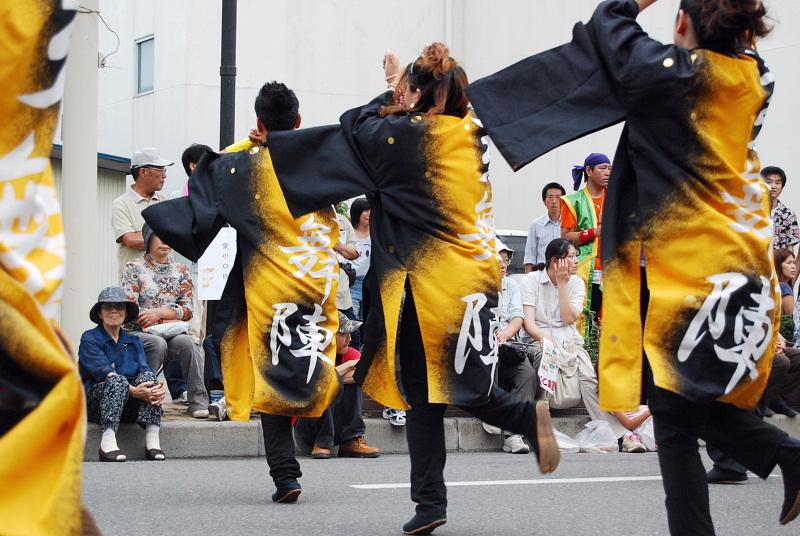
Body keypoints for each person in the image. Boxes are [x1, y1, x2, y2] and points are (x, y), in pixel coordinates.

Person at [469, 0, 800, 532]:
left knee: (673, 413)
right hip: (742, 265)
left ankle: (783, 460)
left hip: (691, 277)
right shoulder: (757, 77)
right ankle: (783, 459)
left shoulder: (674, 77)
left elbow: (608, 23)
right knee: (675, 409)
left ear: (683, 24)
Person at [257, 43, 561, 535]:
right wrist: (407, 90)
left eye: (410, 94)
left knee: (448, 392)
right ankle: (431, 502)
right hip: (472, 282)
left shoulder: (412, 137)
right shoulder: (468, 132)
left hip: (436, 286)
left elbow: (354, 123)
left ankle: (525, 424)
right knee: (433, 395)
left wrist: (391, 93)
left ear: (420, 97)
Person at [143, 81, 343, 504]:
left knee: (270, 379)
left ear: (258, 124)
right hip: (314, 295)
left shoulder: (243, 167)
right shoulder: (320, 160)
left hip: (268, 291)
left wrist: (251, 145)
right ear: (300, 122)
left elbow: (209, 178)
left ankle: (286, 476)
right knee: (314, 370)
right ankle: (307, 455)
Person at [520, 238, 645, 453]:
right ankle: (540, 427)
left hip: (569, 341)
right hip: (538, 339)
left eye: (576, 256)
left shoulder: (576, 282)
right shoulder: (530, 280)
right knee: (545, 357)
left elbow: (569, 318)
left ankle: (622, 436)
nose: (576, 261)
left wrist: (561, 285)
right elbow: (529, 323)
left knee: (589, 379)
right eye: (571, 256)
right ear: (555, 261)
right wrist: (544, 338)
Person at [121, 224, 209, 419]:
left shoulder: (181, 270)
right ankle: (146, 401)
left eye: (169, 236)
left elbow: (187, 310)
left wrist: (160, 313)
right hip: (140, 332)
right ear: (148, 239)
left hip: (171, 331)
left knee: (187, 342)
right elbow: (129, 309)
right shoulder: (133, 268)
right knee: (157, 343)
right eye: (159, 236)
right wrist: (153, 317)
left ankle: (199, 402)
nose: (165, 241)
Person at [79, 287, 166, 462]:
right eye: (108, 306)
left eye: (119, 306)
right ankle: (107, 443)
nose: (114, 310)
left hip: (128, 405)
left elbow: (144, 368)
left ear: (125, 314)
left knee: (150, 380)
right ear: (100, 313)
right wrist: (134, 391)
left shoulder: (133, 340)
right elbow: (103, 372)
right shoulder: (89, 338)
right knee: (116, 380)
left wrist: (154, 389)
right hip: (98, 404)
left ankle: (152, 441)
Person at [296, 312, 380, 459]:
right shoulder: (309, 353)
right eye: (344, 334)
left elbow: (363, 375)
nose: (350, 339)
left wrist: (334, 375)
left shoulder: (350, 352)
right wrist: (347, 366)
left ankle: (352, 440)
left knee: (346, 382)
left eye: (349, 334)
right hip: (308, 426)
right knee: (324, 383)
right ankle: (322, 443)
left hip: (338, 422)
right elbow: (317, 379)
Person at [491, 240, 539, 454]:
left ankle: (514, 434)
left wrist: (506, 334)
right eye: (497, 259)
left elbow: (518, 317)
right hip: (485, 348)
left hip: (508, 346)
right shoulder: (475, 286)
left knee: (526, 374)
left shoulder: (511, 285)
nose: (503, 264)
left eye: (506, 259)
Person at [561, 153, 611, 332]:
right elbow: (566, 236)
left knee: (609, 318)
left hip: (612, 267)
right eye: (603, 168)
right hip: (584, 268)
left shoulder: (616, 198)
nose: (608, 172)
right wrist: (594, 232)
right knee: (583, 316)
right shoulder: (573, 201)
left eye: (609, 168)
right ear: (588, 171)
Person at [112, 147, 172, 280]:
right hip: (134, 281)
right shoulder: (122, 204)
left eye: (164, 170)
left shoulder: (165, 201)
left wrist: (143, 234)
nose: (164, 175)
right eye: (160, 170)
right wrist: (165, 235)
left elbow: (178, 235)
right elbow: (130, 240)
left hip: (165, 281)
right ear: (143, 171)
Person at [523, 182, 565, 271]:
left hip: (564, 274)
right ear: (544, 201)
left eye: (558, 197)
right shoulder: (536, 225)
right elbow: (530, 257)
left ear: (564, 201)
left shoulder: (570, 224)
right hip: (541, 275)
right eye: (550, 197)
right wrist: (529, 280)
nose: (554, 201)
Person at [764, 166, 800, 251]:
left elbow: (790, 248)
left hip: (779, 263)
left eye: (777, 183)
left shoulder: (788, 214)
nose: (773, 186)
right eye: (769, 182)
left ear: (782, 187)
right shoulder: (753, 212)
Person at [775, 248, 796, 317]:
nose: (794, 267)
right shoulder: (783, 287)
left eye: (794, 262)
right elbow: (791, 319)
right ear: (778, 265)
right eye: (789, 263)